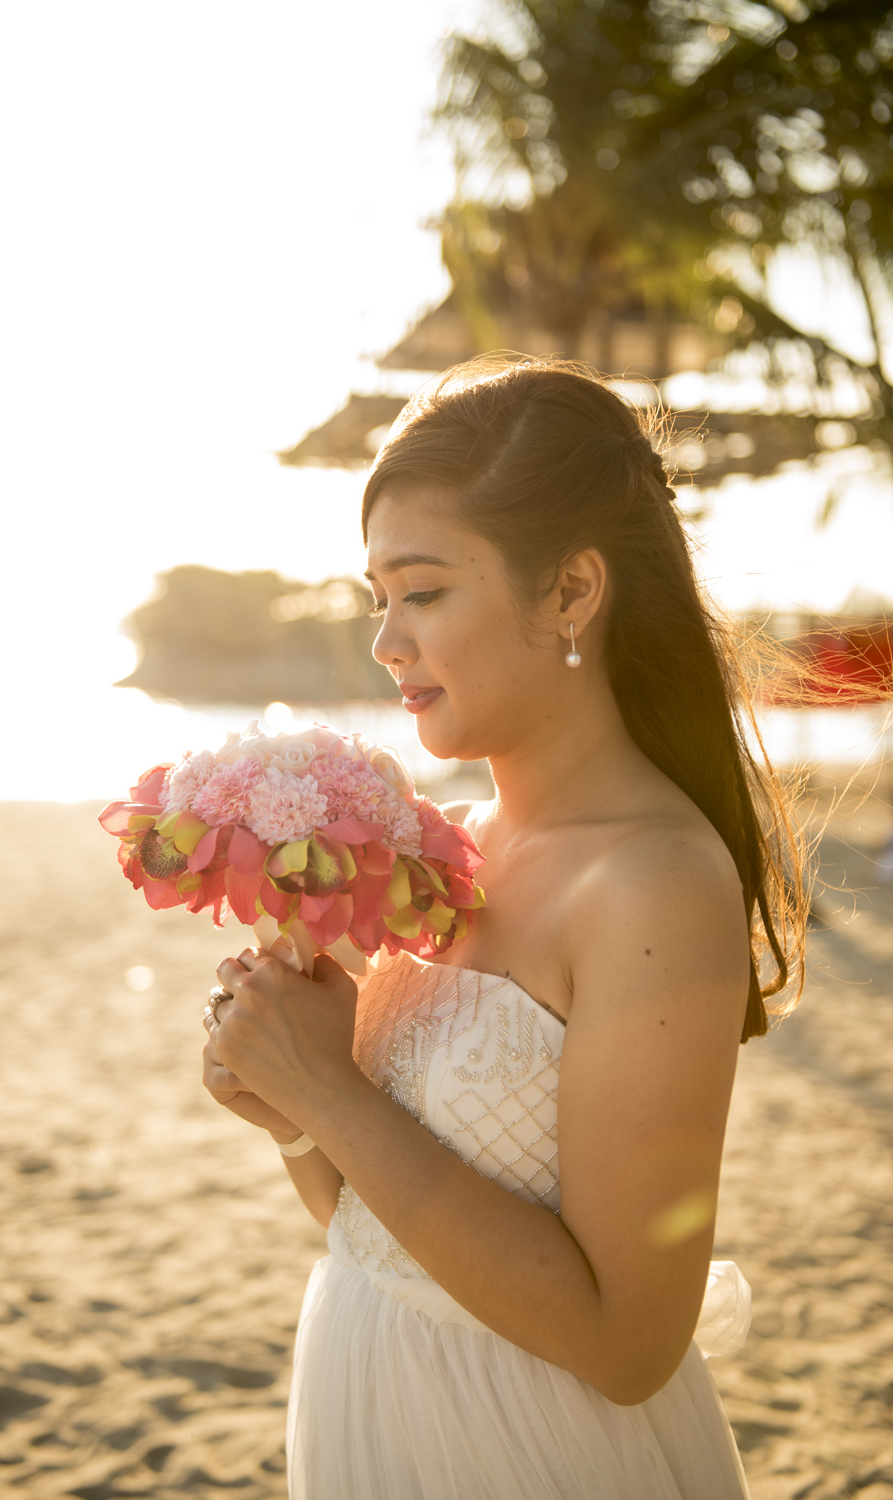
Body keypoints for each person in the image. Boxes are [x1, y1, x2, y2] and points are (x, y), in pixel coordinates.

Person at [201, 356, 806, 1500]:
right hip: (371, 1419)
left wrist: (333, 1098)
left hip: (535, 1455)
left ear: (570, 592)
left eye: (422, 591)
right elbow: (380, 1232)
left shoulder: (652, 884)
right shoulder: (444, 849)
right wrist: (291, 1114)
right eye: (376, 596)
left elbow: (629, 1345)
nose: (386, 641)